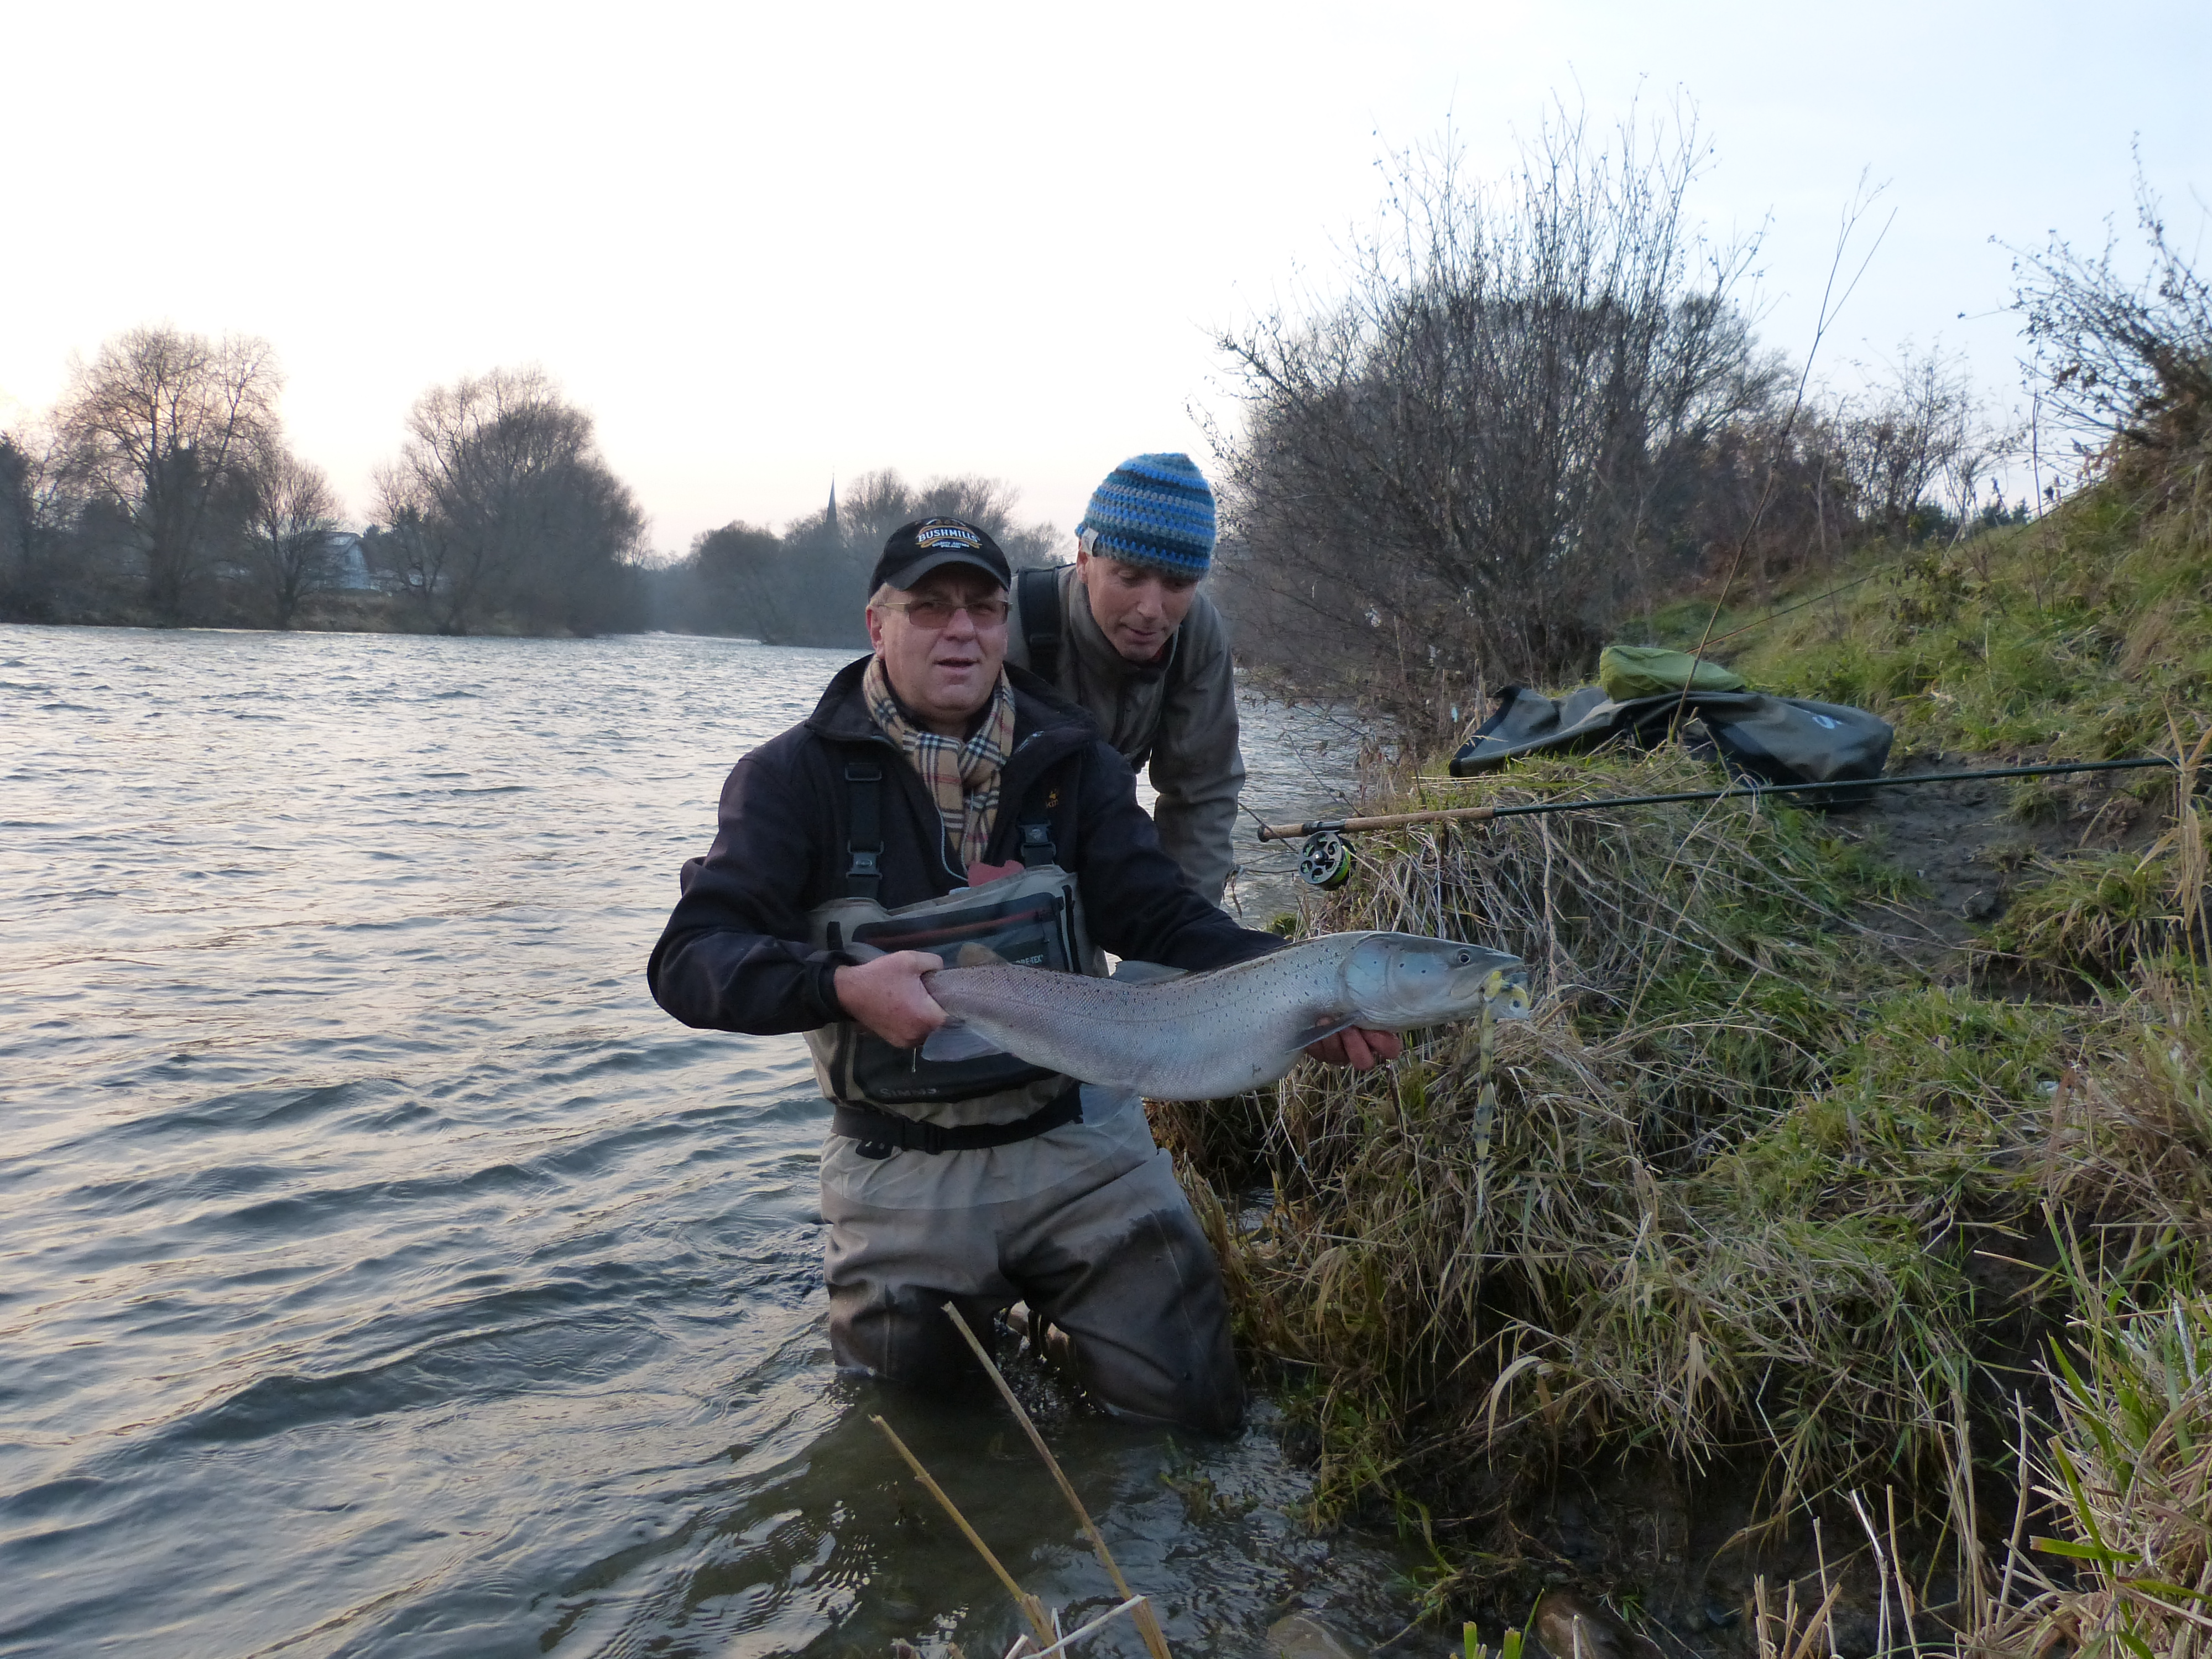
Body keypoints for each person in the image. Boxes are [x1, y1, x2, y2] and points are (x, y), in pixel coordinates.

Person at [646, 517, 1398, 1433]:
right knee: (916, 1460)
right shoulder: (787, 781)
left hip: (1084, 1147)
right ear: (877, 626)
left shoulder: (1072, 760)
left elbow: (1163, 915)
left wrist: (1297, 990)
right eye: (930, 607)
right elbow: (690, 961)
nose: (960, 629)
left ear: (1007, 627)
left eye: (984, 608)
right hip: (900, 1175)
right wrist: (840, 988)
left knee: (1197, 1415)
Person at [1006, 453, 1244, 907]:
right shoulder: (1009, 623)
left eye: (1177, 586)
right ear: (1083, 561)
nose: (1152, 610)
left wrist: (1188, 936)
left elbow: (1202, 798)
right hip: (995, 855)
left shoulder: (1199, 634)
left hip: (1101, 831)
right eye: (1129, 578)